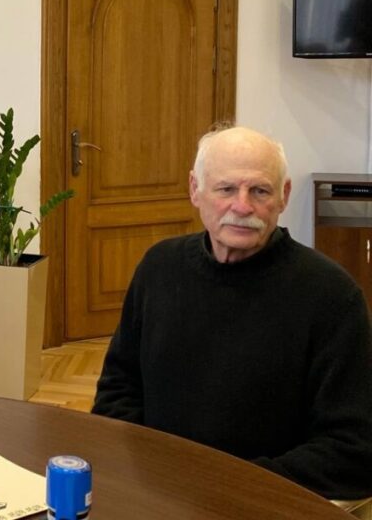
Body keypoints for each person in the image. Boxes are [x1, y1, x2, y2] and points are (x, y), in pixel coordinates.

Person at [92, 125, 372, 499]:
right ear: (195, 189)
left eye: (260, 191)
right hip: (156, 491)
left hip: (263, 503)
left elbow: (353, 449)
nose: (242, 206)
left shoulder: (333, 296)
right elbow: (117, 390)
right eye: (226, 189)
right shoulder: (159, 268)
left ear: (284, 196)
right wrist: (150, 475)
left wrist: (227, 488)